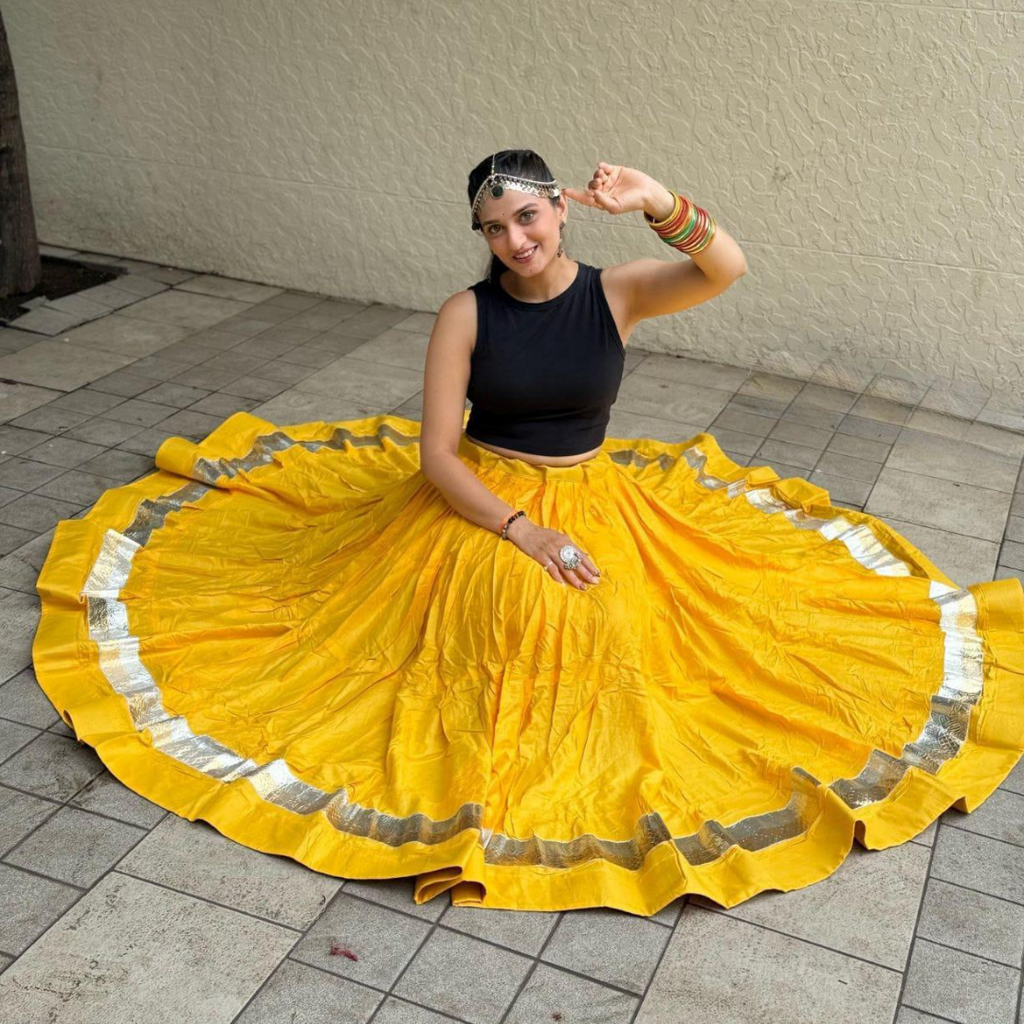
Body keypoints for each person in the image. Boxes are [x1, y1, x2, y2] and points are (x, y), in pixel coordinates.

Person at [31, 149, 1024, 919]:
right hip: (479, 500)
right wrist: (522, 531)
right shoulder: (465, 314)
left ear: (560, 209)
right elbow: (435, 456)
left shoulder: (618, 291)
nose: (515, 239)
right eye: (495, 226)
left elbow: (724, 266)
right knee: (508, 616)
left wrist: (656, 198)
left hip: (596, 492)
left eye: (529, 216)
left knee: (637, 626)